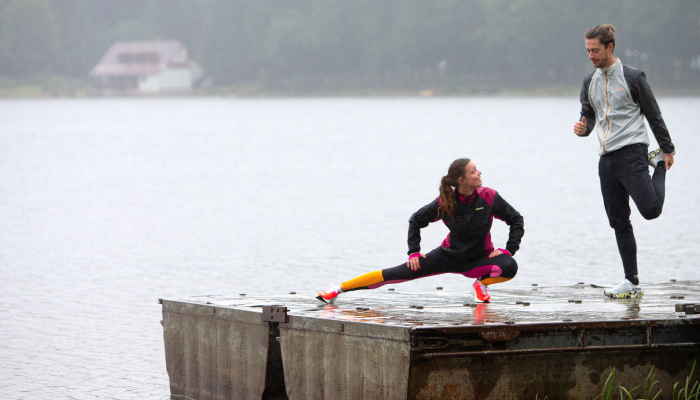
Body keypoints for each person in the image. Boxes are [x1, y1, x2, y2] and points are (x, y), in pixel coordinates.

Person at [317, 158, 524, 304]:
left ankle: (481, 286)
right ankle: (338, 289)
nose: (479, 173)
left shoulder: (488, 196)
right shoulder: (445, 202)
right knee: (395, 273)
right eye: (473, 170)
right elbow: (416, 220)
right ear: (461, 180)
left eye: (477, 169)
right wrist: (414, 252)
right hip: (447, 256)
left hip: (479, 259)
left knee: (509, 266)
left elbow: (516, 219)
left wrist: (508, 249)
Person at [574, 24, 676, 299]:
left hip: (632, 151)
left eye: (595, 50)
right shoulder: (589, 81)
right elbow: (589, 113)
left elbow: (653, 114)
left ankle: (657, 166)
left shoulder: (632, 77)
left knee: (651, 210)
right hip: (606, 160)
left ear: (609, 47)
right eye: (587, 51)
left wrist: (667, 150)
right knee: (619, 222)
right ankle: (631, 281)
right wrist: (584, 128)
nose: (591, 55)